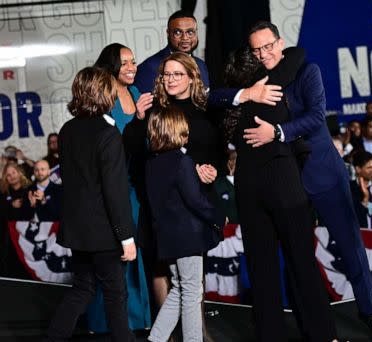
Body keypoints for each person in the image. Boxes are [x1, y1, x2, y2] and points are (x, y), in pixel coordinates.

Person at [242, 21, 372, 340]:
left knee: (349, 244)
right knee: (296, 254)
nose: (264, 53)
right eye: (257, 49)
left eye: (268, 46)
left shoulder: (307, 71)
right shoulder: (257, 83)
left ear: (280, 44)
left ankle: (371, 311)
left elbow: (315, 116)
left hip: (321, 172)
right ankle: (308, 321)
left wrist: (279, 132)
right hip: (286, 180)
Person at [224, 45, 337, 342]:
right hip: (283, 181)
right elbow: (297, 53)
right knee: (301, 262)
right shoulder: (272, 88)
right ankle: (322, 334)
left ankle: (269, 334)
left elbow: (210, 98)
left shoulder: (230, 105)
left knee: (261, 269)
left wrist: (243, 94)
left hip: (248, 184)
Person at [46, 66, 136, 341]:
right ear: (105, 92)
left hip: (77, 230)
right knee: (115, 298)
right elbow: (115, 190)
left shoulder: (67, 130)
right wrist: (127, 237)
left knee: (82, 290)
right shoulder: (108, 134)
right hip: (105, 231)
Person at [145, 106, 224, 342]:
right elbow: (195, 201)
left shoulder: (153, 162)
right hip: (187, 237)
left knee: (179, 289)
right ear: (179, 128)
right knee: (191, 292)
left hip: (168, 238)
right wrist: (220, 218)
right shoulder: (182, 161)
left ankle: (156, 338)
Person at [90, 42, 152, 333]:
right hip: (115, 187)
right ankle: (112, 322)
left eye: (133, 61)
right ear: (111, 66)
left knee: (137, 250)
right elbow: (107, 143)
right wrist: (138, 121)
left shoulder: (137, 93)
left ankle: (139, 320)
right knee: (118, 253)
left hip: (138, 184)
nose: (132, 67)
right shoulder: (102, 98)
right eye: (124, 62)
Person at [133, 10, 281, 115]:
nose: (185, 38)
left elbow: (207, 100)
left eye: (190, 32)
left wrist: (245, 94)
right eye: (178, 32)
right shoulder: (150, 67)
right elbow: (145, 115)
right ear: (168, 33)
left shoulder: (200, 64)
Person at [0, 162, 33, 279]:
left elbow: (32, 213)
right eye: (8, 175)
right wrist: (11, 206)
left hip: (27, 236)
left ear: (19, 173)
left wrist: (32, 205)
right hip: (8, 238)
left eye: (13, 172)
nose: (12, 176)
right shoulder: (3, 192)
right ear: (6, 178)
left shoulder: (30, 189)